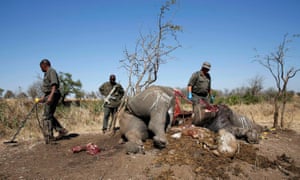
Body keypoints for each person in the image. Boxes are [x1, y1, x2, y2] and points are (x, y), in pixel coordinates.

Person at [38, 59, 68, 144]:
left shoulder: (51, 71)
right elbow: (48, 89)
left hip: (53, 94)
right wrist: (43, 98)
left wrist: (50, 97)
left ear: (44, 65)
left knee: (46, 116)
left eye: (41, 67)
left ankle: (49, 137)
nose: (41, 69)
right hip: (50, 94)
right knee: (49, 115)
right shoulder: (46, 73)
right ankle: (61, 130)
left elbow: (54, 85)